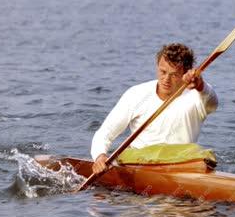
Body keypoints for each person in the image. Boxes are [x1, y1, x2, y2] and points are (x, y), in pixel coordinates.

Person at [91, 43, 219, 174]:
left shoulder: (198, 96)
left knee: (203, 156)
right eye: (162, 72)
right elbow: (105, 133)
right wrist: (100, 156)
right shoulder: (136, 94)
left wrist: (200, 85)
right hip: (139, 161)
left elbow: (212, 103)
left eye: (174, 75)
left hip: (181, 162)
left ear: (186, 73)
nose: (166, 80)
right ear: (157, 66)